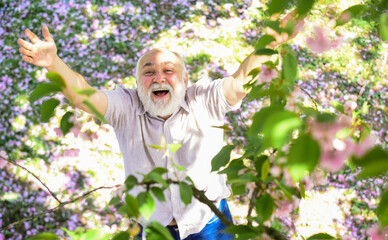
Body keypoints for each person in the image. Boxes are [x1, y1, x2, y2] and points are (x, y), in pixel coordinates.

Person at [17, 12, 301, 240]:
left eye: (169, 70)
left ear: (186, 81)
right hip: (153, 229)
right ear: (138, 84)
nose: (159, 77)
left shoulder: (205, 99)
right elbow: (83, 95)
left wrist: (273, 39)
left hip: (210, 224)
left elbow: (239, 82)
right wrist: (53, 63)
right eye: (148, 71)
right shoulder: (126, 107)